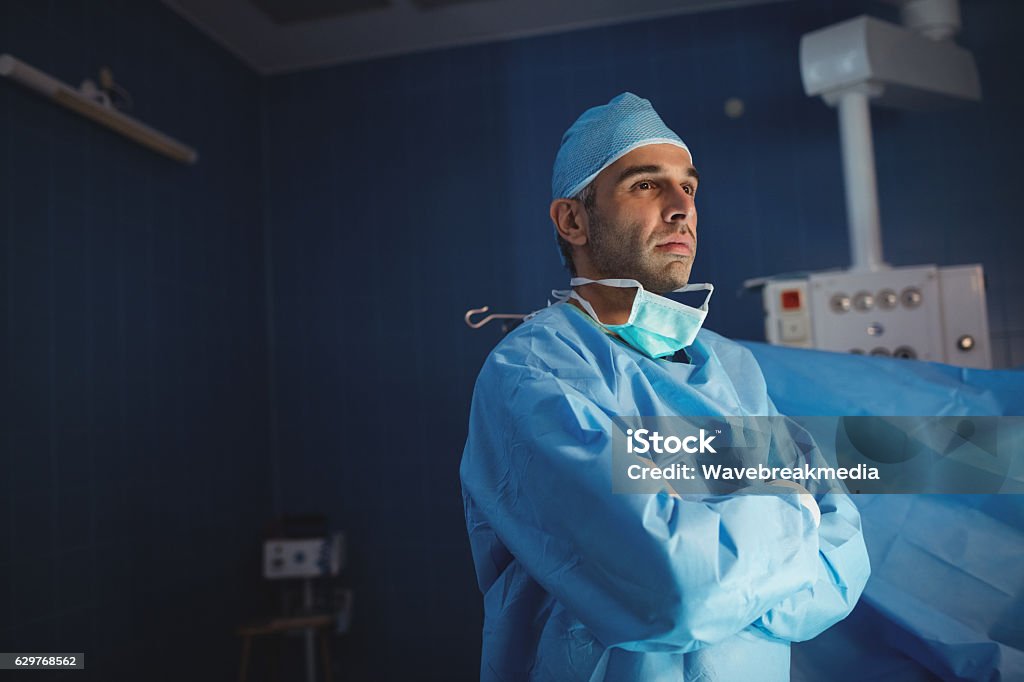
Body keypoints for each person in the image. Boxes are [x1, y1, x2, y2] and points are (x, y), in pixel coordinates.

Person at [460, 92, 871, 681]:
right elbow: (675, 591)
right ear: (572, 220)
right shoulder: (533, 373)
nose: (682, 207)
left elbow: (842, 570)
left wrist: (730, 546)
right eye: (646, 185)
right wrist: (793, 511)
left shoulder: (730, 368)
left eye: (690, 187)